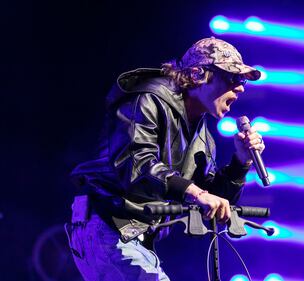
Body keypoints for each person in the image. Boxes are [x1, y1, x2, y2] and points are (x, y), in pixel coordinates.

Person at [65, 37, 265, 281]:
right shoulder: (148, 99)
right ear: (198, 74)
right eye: (233, 78)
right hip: (107, 226)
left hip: (135, 236)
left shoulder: (203, 137)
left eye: (242, 81)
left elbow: (212, 200)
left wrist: (240, 163)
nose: (241, 87)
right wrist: (197, 193)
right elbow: (136, 163)